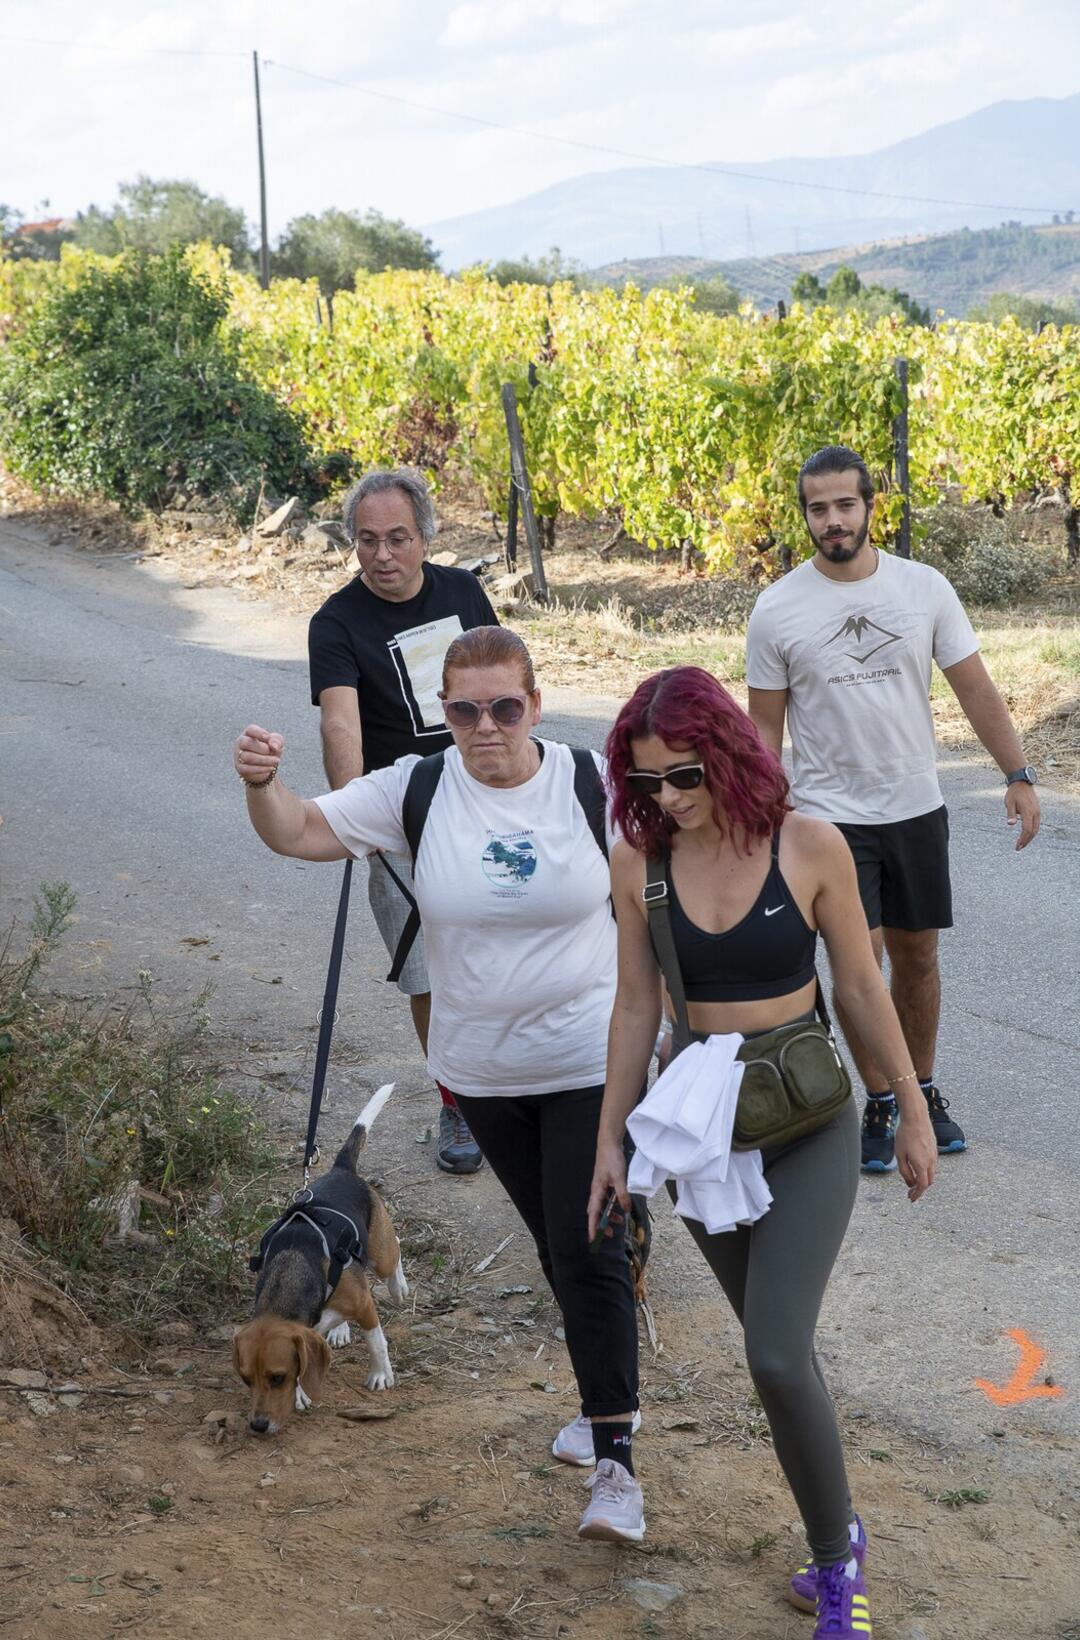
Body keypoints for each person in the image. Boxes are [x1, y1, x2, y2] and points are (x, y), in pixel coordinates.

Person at [234, 625, 645, 1544]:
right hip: (483, 1076)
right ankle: (604, 1397)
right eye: (464, 710)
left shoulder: (593, 782)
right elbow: (298, 830)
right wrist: (262, 784)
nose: (485, 726)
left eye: (505, 707)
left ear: (536, 704)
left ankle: (616, 1461)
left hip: (590, 1062)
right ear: (443, 712)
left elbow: (682, 868)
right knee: (556, 1247)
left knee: (588, 1250)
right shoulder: (417, 787)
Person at [589, 665, 937, 1639]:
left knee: (777, 1353)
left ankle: (836, 1565)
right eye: (647, 779)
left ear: (729, 753)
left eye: (685, 774)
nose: (668, 797)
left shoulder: (807, 844)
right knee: (782, 1356)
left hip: (809, 1116)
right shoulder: (639, 861)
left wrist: (910, 1107)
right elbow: (636, 1006)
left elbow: (861, 987)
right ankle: (840, 1526)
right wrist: (609, 1140)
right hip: (702, 1133)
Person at [746, 445, 1041, 1171]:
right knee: (858, 964)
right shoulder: (778, 608)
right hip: (827, 820)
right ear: (805, 515)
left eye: (845, 505)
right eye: (818, 508)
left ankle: (924, 1090)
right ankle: (882, 1099)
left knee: (917, 958)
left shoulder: (923, 588)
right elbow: (763, 732)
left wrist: (1017, 773)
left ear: (870, 506)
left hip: (914, 807)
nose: (833, 520)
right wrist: (761, 819)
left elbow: (974, 686)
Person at [308, 467, 499, 1176]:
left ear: (425, 537)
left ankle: (518, 1087)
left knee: (509, 947)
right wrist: (350, 810)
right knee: (426, 973)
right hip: (402, 817)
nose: (382, 555)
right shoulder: (336, 622)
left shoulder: (463, 592)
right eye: (367, 541)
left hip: (488, 799)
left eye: (397, 538)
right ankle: (458, 1100)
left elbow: (505, 685)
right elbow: (340, 722)